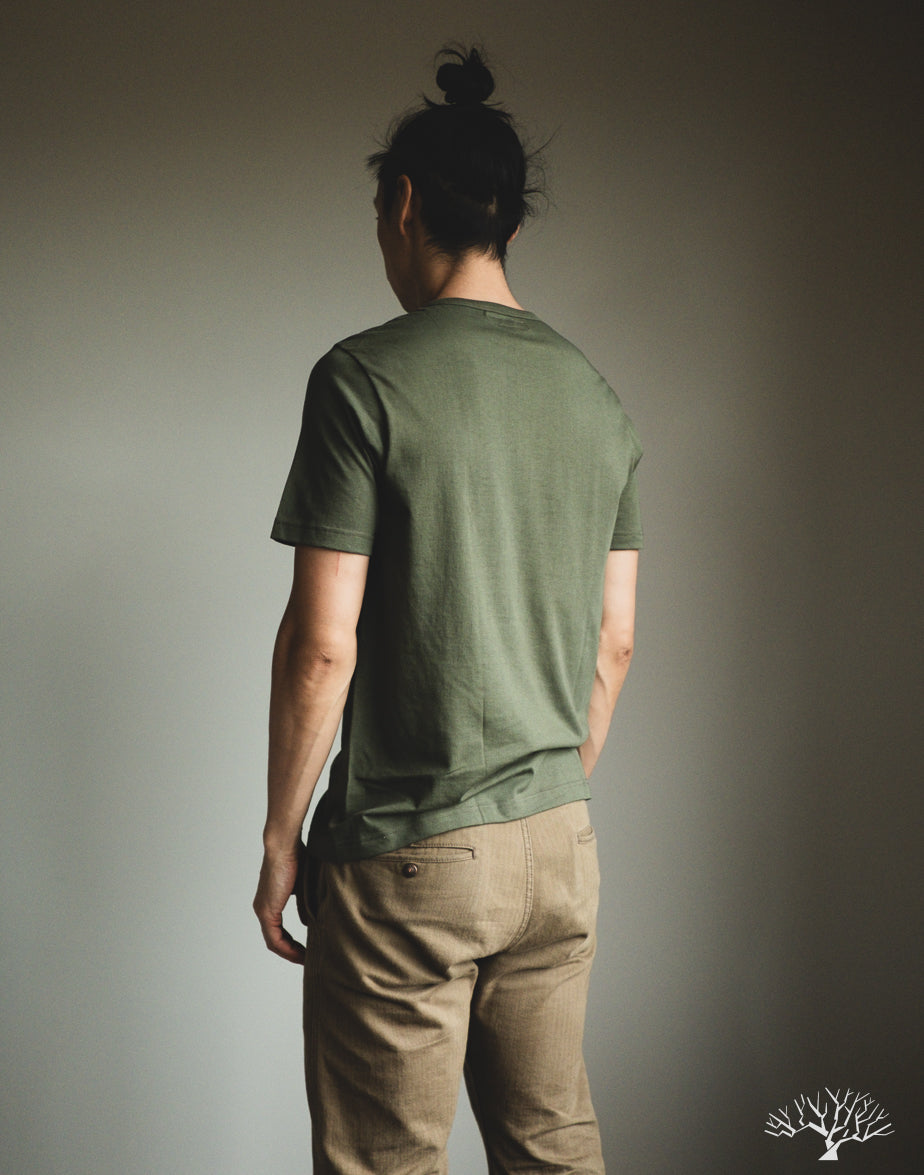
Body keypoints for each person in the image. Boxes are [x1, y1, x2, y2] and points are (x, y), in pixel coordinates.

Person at [254, 45, 643, 1175]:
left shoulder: (362, 379)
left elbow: (322, 646)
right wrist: (540, 796)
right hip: (559, 839)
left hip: (407, 851)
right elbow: (615, 640)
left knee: (385, 1159)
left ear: (404, 204)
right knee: (553, 1147)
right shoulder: (598, 399)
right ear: (510, 221)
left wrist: (281, 841)